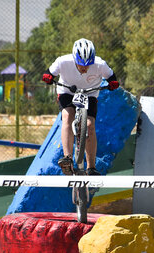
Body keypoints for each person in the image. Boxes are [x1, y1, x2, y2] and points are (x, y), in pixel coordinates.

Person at [41, 38, 119, 176]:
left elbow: (112, 77)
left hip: (89, 93)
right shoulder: (63, 61)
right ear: (74, 58)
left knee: (89, 125)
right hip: (67, 92)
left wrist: (113, 83)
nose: (84, 68)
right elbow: (49, 72)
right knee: (67, 116)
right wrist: (47, 76)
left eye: (88, 64)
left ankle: (91, 167)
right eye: (80, 64)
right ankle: (67, 157)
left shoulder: (100, 64)